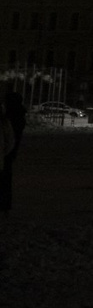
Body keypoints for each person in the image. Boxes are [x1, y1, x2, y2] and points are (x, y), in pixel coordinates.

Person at [1, 82, 27, 215]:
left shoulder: (10, 117)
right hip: (9, 152)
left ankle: (5, 204)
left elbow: (10, 138)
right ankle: (5, 204)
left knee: (4, 178)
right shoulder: (17, 115)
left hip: (6, 152)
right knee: (6, 178)